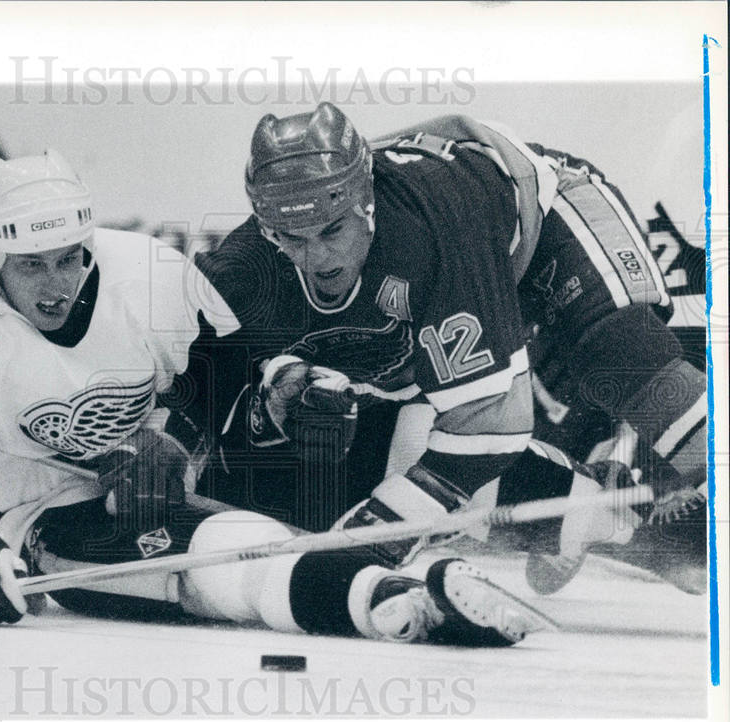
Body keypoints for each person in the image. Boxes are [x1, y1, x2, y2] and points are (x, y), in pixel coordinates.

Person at [0, 149, 545, 646]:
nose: (58, 283)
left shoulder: (152, 279)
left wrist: (211, 425)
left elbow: (234, 370)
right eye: (31, 266)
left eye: (70, 258)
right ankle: (396, 604)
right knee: (228, 559)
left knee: (386, 418)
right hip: (57, 515)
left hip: (199, 475)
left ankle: (586, 513)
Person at [172, 103, 706, 594]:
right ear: (266, 226)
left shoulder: (426, 229)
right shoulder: (246, 265)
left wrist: (382, 530)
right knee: (401, 439)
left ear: (366, 201)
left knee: (623, 359)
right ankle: (600, 515)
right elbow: (189, 376)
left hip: (543, 224)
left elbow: (493, 427)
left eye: (332, 230)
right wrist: (166, 452)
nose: (316, 257)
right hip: (457, 271)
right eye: (291, 237)